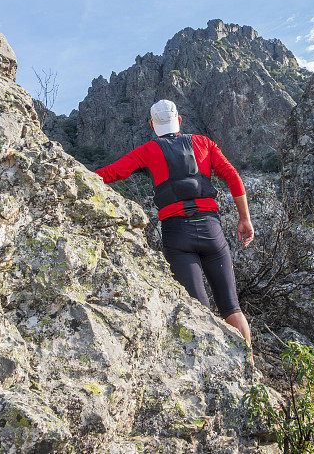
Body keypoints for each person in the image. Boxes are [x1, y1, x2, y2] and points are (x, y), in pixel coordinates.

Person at [94, 99, 254, 350]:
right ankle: (250, 370)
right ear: (178, 120)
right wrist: (245, 219)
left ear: (151, 124)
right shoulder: (204, 143)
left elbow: (112, 173)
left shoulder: (148, 150)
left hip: (177, 233)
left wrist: (73, 175)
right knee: (231, 307)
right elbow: (233, 177)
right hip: (212, 230)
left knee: (198, 311)